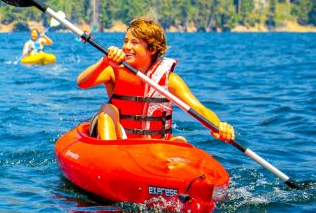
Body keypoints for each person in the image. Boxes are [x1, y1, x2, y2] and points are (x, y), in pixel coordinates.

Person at [76, 17, 235, 142]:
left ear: (151, 49)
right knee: (107, 110)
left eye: (134, 42)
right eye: (125, 41)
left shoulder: (169, 80)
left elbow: (198, 109)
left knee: (180, 140)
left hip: (150, 147)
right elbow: (82, 83)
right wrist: (104, 61)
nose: (126, 47)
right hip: (118, 140)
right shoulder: (114, 70)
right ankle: (107, 161)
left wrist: (218, 126)